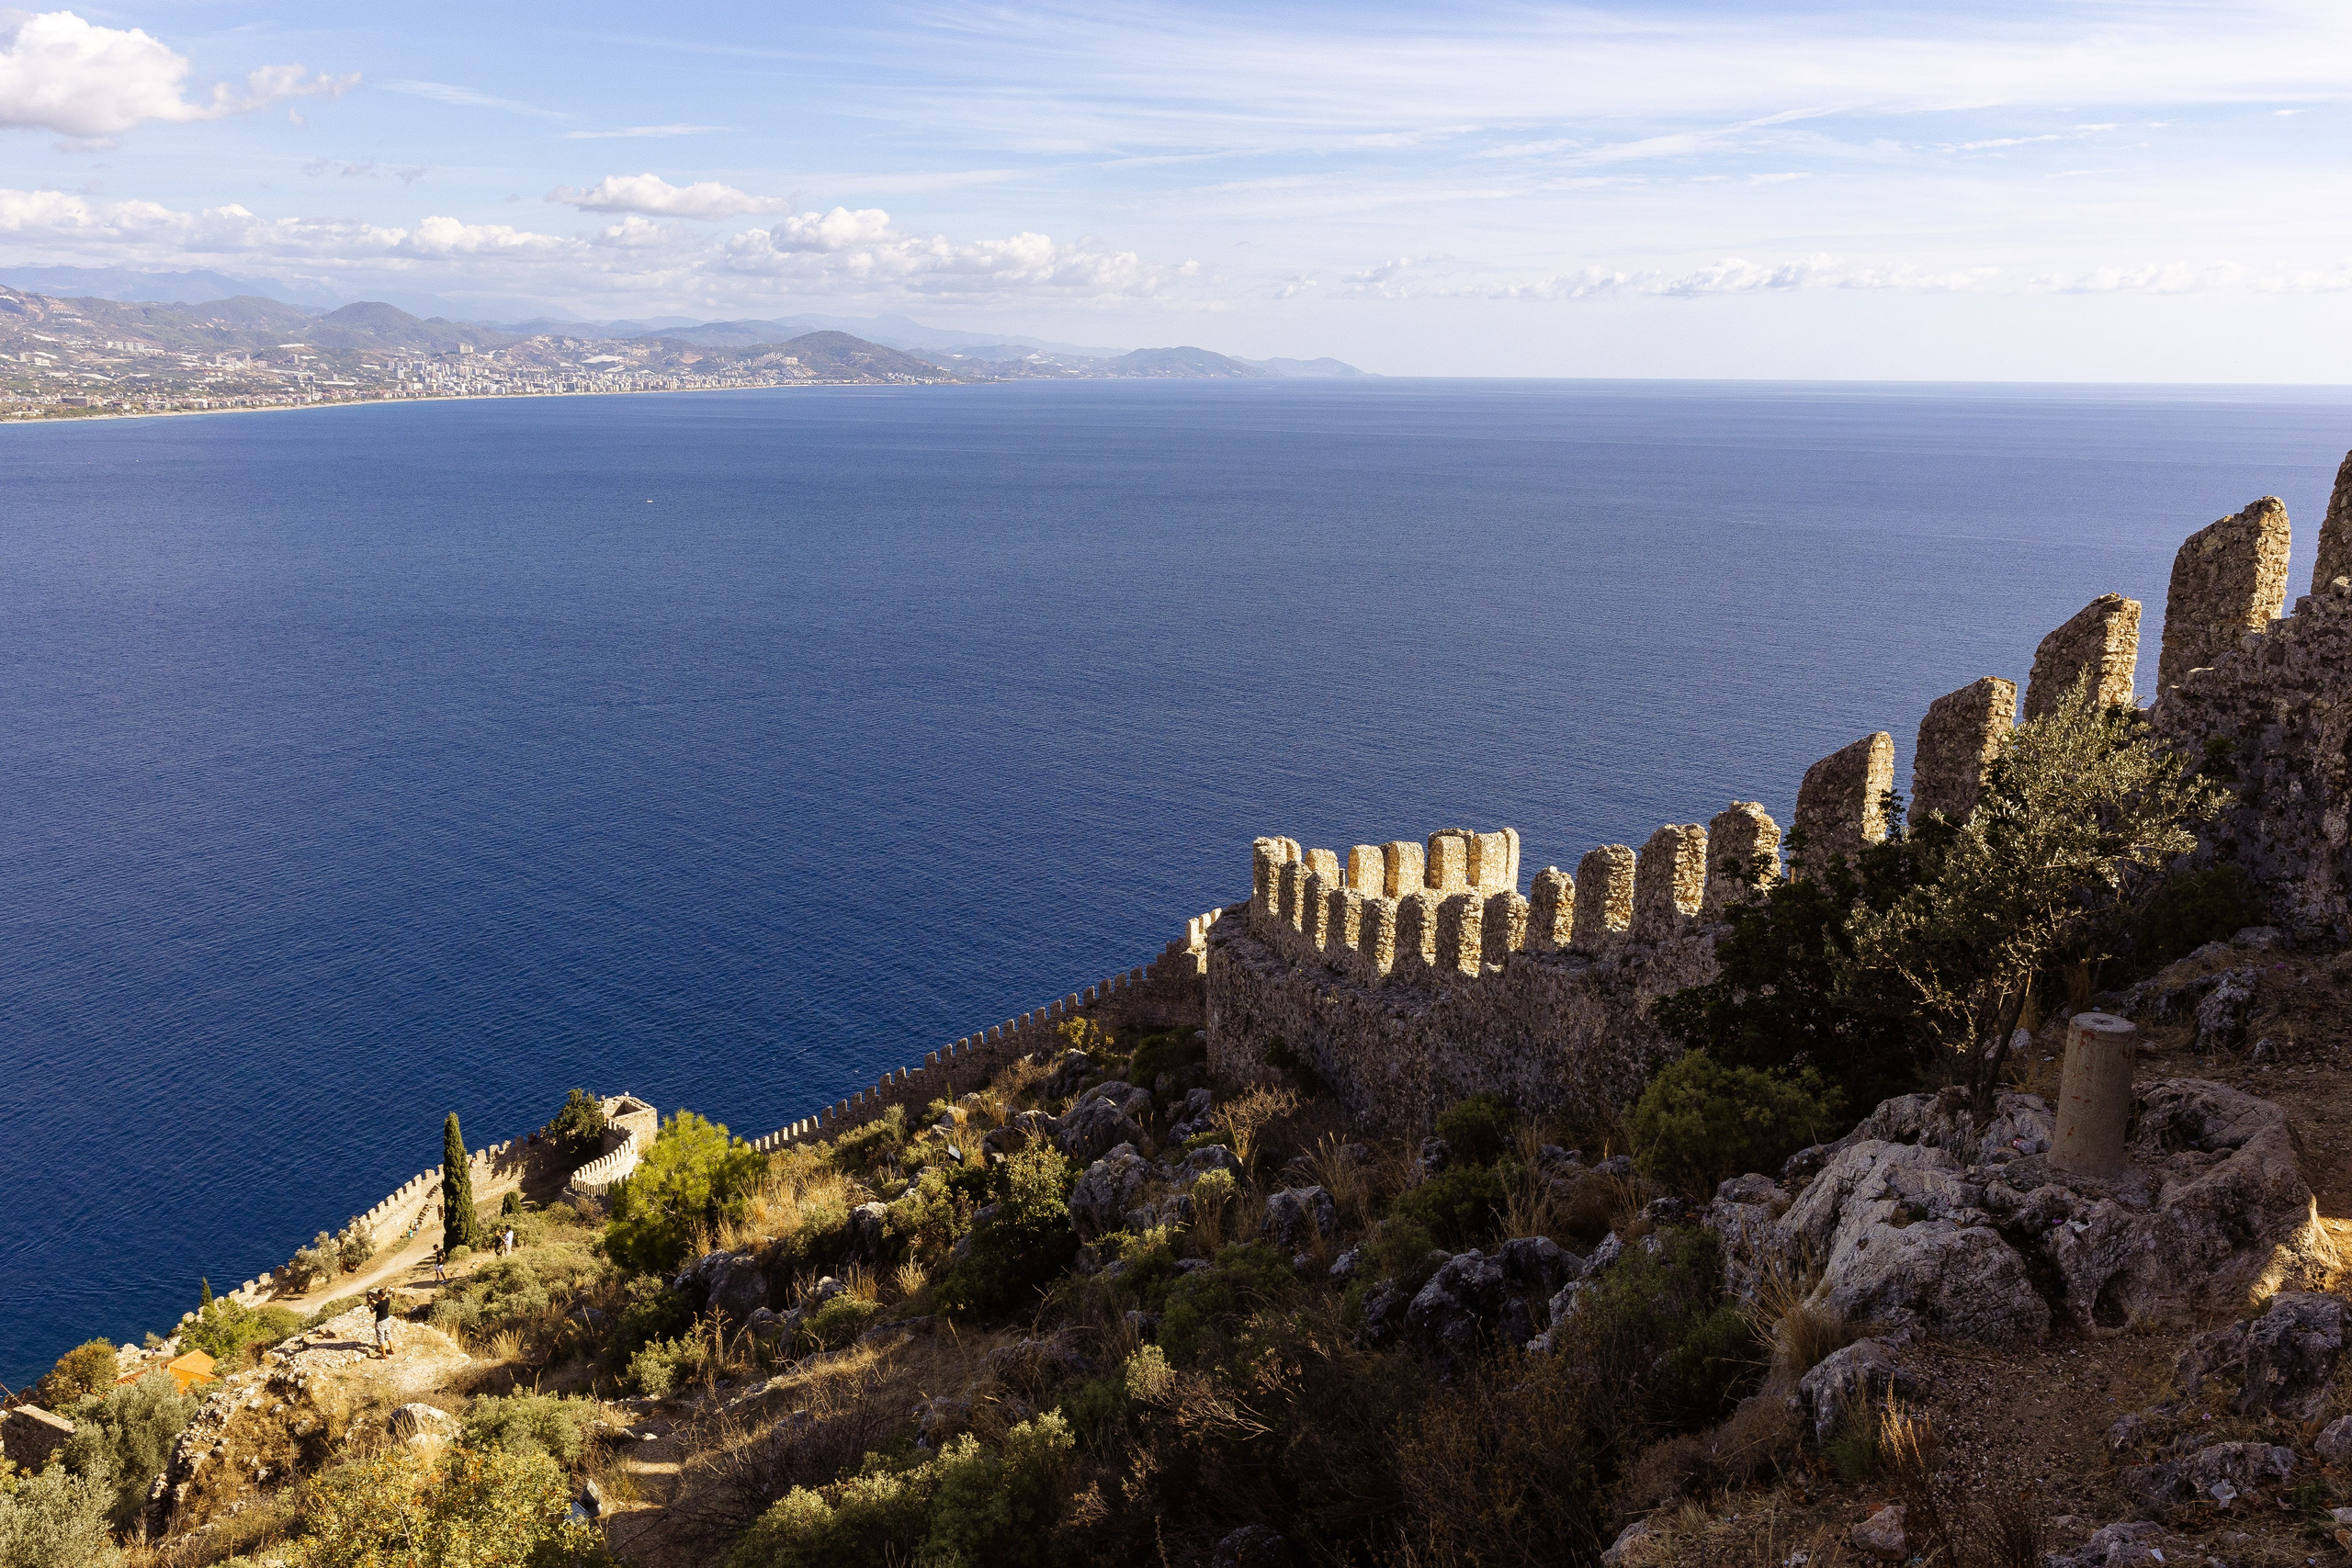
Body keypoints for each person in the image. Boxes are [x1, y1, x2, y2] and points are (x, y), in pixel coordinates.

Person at [368, 1288, 394, 1359]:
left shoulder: (379, 1305)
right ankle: (391, 1350)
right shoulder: (387, 1300)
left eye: (377, 1294)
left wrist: (369, 1304)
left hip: (380, 1322)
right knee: (388, 1335)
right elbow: (378, 1303)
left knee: (381, 1338)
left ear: (380, 1295)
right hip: (387, 1319)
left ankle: (384, 1355)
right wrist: (372, 1300)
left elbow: (371, 1311)